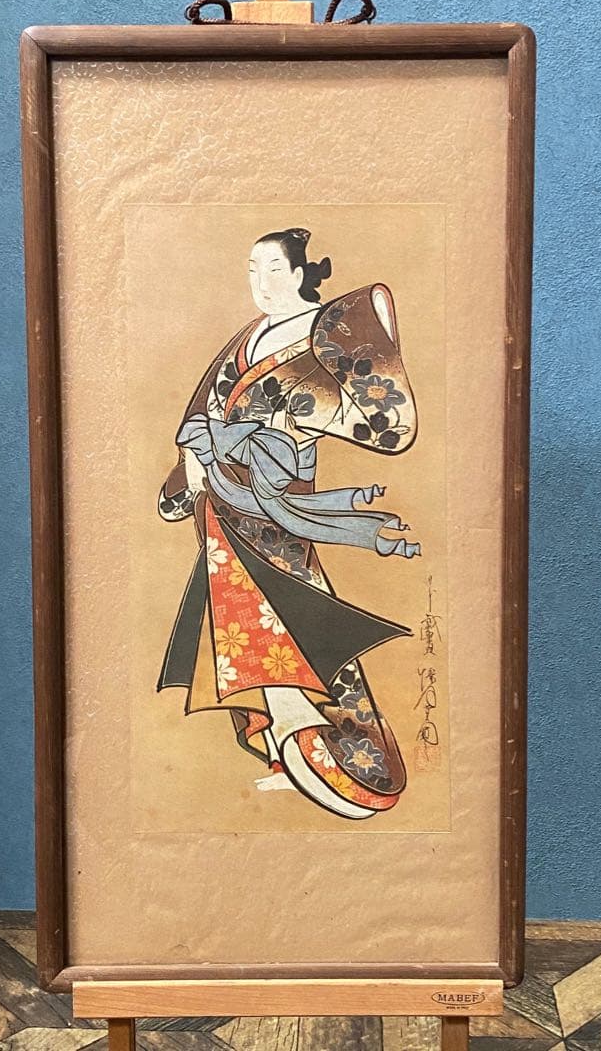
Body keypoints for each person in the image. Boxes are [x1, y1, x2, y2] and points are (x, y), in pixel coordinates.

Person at [157, 227, 420, 819]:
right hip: (222, 506)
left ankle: (354, 763)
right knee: (245, 630)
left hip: (277, 507)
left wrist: (295, 425)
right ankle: (284, 750)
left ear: (301, 273)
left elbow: (388, 422)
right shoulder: (245, 339)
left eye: (273, 268)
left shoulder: (327, 332)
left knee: (299, 622)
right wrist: (195, 462)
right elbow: (201, 416)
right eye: (253, 270)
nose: (262, 282)